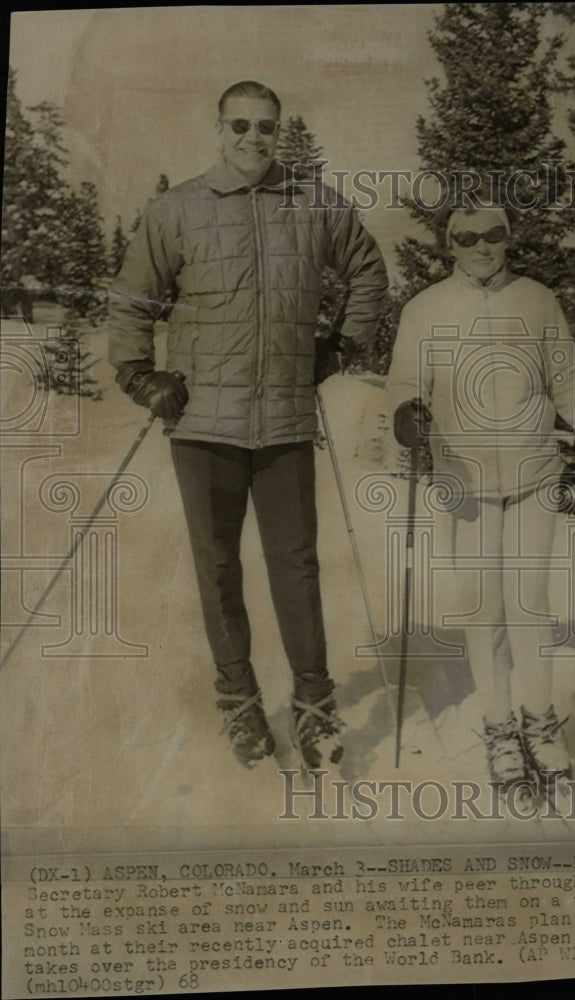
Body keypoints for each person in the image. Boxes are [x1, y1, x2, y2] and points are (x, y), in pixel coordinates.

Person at [108, 81, 388, 770]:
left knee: (296, 568)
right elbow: (131, 301)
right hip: (203, 426)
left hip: (286, 421)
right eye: (240, 125)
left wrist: (344, 345)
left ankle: (315, 703)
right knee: (219, 569)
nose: (252, 138)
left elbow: (368, 270)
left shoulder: (314, 203)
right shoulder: (178, 210)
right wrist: (143, 376)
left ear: (279, 133)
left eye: (266, 127)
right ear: (218, 129)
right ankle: (238, 700)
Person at [387, 200, 575, 801]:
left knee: (529, 604)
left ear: (510, 238)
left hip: (534, 473)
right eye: (467, 237)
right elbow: (406, 383)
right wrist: (407, 414)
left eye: (495, 235)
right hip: (465, 479)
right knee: (485, 608)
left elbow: (565, 380)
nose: (482, 247)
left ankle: (539, 720)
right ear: (448, 244)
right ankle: (500, 727)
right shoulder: (425, 309)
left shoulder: (537, 299)